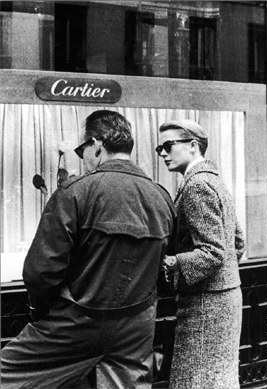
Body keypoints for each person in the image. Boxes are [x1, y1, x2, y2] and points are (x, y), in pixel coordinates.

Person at [1, 110, 177, 389]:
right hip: (137, 327)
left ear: (96, 145)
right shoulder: (162, 197)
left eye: (82, 149)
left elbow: (40, 271)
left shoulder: (76, 192)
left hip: (77, 322)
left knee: (6, 375)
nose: (82, 157)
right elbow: (166, 265)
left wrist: (47, 314)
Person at [157, 119, 245, 389]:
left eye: (169, 145)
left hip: (206, 304)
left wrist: (174, 262)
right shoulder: (212, 181)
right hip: (223, 298)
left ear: (193, 146)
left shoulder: (196, 186)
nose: (162, 153)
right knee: (216, 379)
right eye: (159, 147)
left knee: (197, 381)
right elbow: (238, 243)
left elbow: (214, 252)